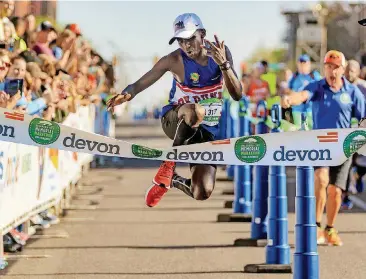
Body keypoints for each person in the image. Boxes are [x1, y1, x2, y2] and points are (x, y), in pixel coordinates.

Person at [107, 13, 242, 207]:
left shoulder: (220, 54)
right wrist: (126, 94)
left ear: (202, 34)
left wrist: (224, 66)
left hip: (205, 131)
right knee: (195, 111)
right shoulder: (174, 60)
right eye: (181, 41)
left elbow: (237, 94)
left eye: (190, 39)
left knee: (202, 191)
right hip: (176, 120)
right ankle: (168, 165)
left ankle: (173, 180)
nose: (186, 46)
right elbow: (142, 82)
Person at [280, 50, 365, 246]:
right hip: (321, 145)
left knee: (336, 191)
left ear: (342, 69)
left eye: (336, 67)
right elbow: (302, 95)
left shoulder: (352, 92)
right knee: (321, 178)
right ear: (324, 68)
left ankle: (330, 228)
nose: (332, 71)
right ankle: (316, 225)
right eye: (328, 66)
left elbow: (363, 115)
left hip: (343, 148)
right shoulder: (318, 87)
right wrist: (289, 100)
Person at [287, 54, 321, 129]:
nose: (302, 65)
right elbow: (288, 90)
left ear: (309, 64)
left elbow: (321, 88)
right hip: (297, 110)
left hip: (311, 110)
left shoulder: (314, 75)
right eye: (300, 63)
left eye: (305, 63)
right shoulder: (294, 76)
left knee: (313, 131)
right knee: (300, 132)